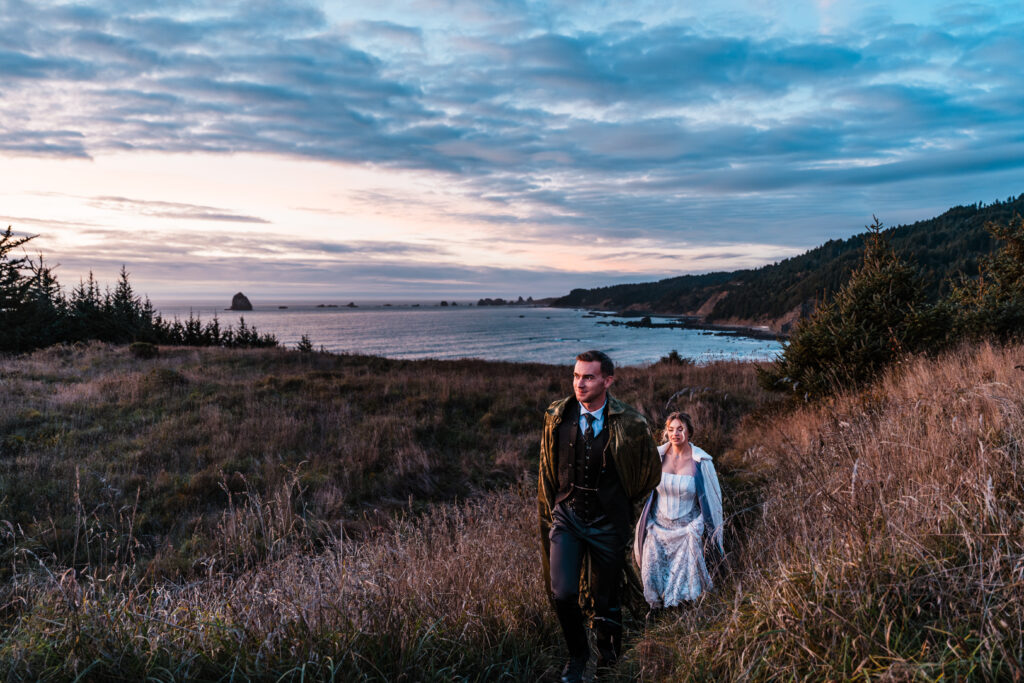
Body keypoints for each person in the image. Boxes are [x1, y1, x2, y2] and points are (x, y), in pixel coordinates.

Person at [538, 350, 662, 683]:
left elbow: (650, 473)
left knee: (607, 600)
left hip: (608, 522)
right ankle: (578, 656)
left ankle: (608, 664)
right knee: (562, 593)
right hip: (568, 514)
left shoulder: (632, 422)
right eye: (576, 376)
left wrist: (618, 503)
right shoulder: (557, 415)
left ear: (607, 381)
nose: (580, 383)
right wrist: (554, 506)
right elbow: (548, 469)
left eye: (589, 377)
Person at [633, 411, 724, 611]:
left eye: (680, 429)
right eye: (671, 429)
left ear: (689, 432)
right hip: (658, 527)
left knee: (685, 585)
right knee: (652, 573)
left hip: (686, 529)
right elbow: (645, 489)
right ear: (666, 432)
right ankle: (657, 613)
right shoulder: (657, 457)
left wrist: (698, 526)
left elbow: (713, 502)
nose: (675, 433)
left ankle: (683, 614)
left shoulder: (701, 462)